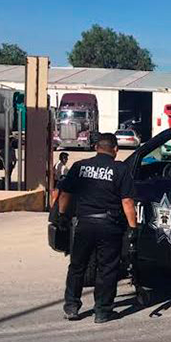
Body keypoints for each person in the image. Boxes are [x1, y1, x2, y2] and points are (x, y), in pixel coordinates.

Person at [55, 133, 138, 323]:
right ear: (115, 150)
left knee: (77, 266)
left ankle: (71, 307)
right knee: (107, 268)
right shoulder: (120, 169)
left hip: (84, 224)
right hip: (110, 225)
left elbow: (65, 194)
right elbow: (127, 201)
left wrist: (61, 216)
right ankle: (102, 311)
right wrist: (133, 228)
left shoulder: (79, 166)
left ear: (96, 148)